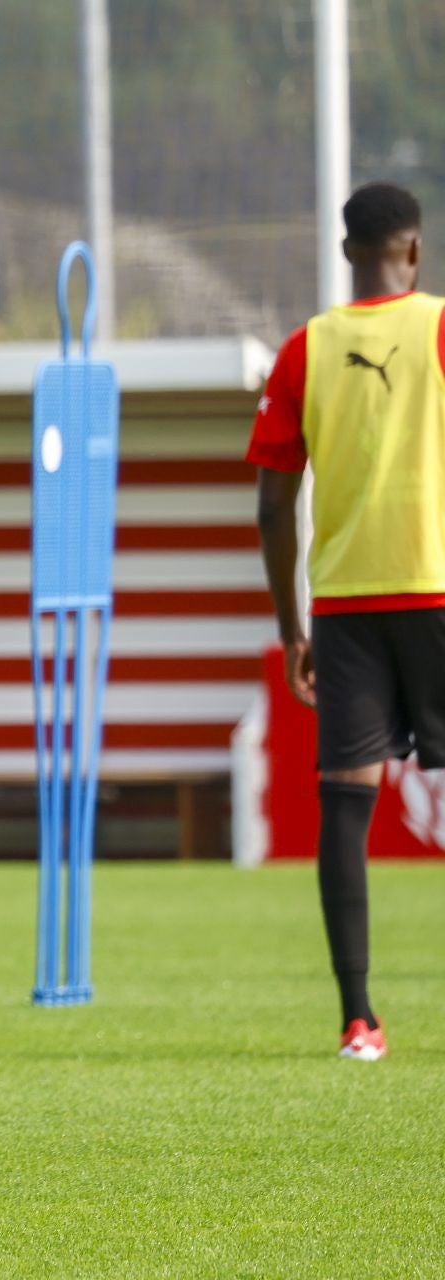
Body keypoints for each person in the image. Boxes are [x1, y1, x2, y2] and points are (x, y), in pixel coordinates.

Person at [248, 181, 445, 1062]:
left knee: (345, 804)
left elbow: (271, 503)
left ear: (347, 253)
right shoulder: (440, 326)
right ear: (415, 250)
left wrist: (293, 629)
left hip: (347, 606)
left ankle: (358, 1020)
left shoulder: (305, 350)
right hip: (437, 590)